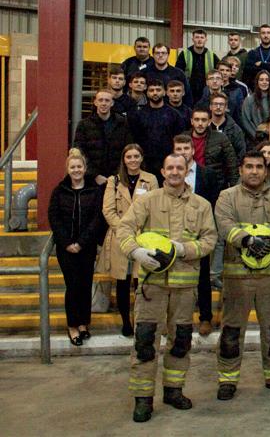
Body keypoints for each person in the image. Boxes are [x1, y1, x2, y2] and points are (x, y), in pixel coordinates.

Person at [118, 152, 217, 422]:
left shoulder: (201, 205)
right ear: (162, 172)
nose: (174, 172)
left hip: (185, 290)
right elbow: (124, 229)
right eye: (170, 167)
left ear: (187, 171)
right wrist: (136, 252)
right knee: (145, 342)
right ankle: (143, 399)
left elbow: (210, 240)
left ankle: (174, 390)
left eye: (179, 168)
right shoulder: (147, 201)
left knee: (180, 342)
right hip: (152, 288)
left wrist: (185, 249)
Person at [214, 149, 270, 400]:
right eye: (249, 166)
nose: (254, 171)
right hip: (237, 277)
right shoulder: (227, 196)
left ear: (266, 170)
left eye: (259, 167)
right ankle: (227, 380)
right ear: (240, 170)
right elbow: (224, 223)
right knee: (231, 330)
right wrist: (247, 240)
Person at [98, 144, 158, 337]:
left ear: (141, 158)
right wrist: (124, 229)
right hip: (120, 237)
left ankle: (141, 321)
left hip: (143, 236)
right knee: (122, 282)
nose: (133, 160)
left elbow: (155, 207)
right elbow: (108, 210)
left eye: (136, 156)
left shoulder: (151, 179)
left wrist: (140, 229)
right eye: (129, 157)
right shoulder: (113, 181)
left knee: (141, 282)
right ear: (124, 160)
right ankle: (126, 322)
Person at [48, 148, 105, 346]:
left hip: (86, 247)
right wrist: (67, 243)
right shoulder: (59, 191)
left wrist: (81, 243)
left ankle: (83, 323)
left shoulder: (94, 191)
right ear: (68, 169)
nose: (76, 170)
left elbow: (97, 219)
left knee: (85, 284)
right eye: (72, 167)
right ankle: (72, 325)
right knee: (72, 285)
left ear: (85, 168)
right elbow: (54, 218)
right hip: (66, 249)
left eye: (79, 166)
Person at [172, 135, 219, 334]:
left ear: (193, 150)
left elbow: (213, 203)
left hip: (199, 233)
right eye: (179, 149)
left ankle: (205, 318)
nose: (183, 152)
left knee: (203, 277)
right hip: (174, 232)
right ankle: (174, 320)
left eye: (186, 148)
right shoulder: (170, 174)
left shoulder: (208, 174)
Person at [128, 79, 187, 181]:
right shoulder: (138, 115)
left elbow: (179, 140)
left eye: (158, 90)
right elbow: (134, 139)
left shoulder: (174, 115)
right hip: (144, 163)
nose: (155, 93)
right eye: (151, 90)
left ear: (164, 92)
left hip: (168, 163)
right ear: (147, 93)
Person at [74, 89, 133, 185]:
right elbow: (80, 152)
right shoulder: (84, 125)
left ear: (112, 103)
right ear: (95, 102)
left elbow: (128, 150)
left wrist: (117, 175)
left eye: (107, 100)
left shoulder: (122, 123)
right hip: (91, 180)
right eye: (100, 100)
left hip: (118, 178)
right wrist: (94, 175)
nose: (104, 103)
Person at [187, 106, 239, 194]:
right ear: (192, 121)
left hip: (214, 186)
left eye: (204, 120)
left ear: (209, 122)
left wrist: (234, 190)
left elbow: (232, 165)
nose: (200, 123)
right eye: (197, 120)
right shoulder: (184, 139)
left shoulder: (220, 138)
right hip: (189, 183)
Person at [176, 29, 219, 105]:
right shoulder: (184, 54)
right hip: (188, 91)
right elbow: (178, 73)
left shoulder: (212, 55)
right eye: (197, 37)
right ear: (193, 39)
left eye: (202, 37)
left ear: (206, 40)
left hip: (206, 92)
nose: (199, 40)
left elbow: (219, 72)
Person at [243, 23, 270, 93]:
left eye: (268, 33)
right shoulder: (252, 53)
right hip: (257, 91)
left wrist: (261, 64)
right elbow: (249, 71)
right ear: (259, 35)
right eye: (263, 33)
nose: (266, 35)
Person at [241, 70, 270, 147]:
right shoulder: (249, 100)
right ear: (257, 82)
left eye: (267, 80)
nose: (264, 82)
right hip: (254, 141)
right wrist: (257, 137)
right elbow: (246, 121)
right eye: (261, 80)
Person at [209, 92, 246, 161]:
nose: (218, 107)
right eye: (215, 104)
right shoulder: (205, 127)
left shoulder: (235, 130)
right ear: (210, 107)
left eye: (221, 104)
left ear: (226, 107)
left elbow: (241, 153)